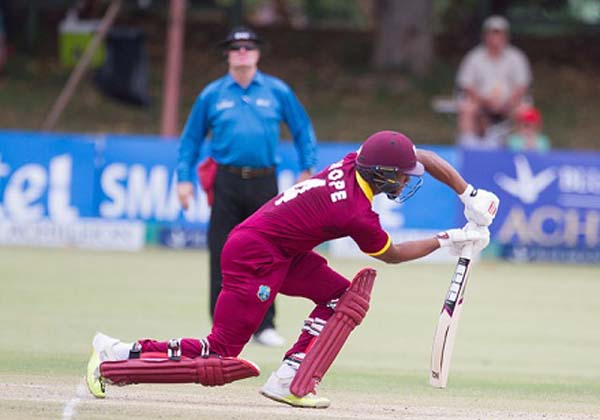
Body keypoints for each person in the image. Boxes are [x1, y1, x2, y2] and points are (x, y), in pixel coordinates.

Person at [86, 130, 499, 408]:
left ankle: (289, 377)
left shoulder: (355, 161)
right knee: (220, 352)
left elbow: (419, 154)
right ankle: (119, 357)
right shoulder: (354, 211)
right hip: (256, 255)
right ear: (382, 174)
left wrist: (469, 193)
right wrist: (449, 240)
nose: (406, 182)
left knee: (343, 298)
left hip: (284, 251)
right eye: (402, 177)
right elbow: (390, 254)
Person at [176, 26, 317, 347]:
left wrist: (307, 168)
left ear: (257, 53)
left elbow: (302, 128)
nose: (242, 52)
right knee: (222, 252)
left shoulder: (277, 91)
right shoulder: (212, 94)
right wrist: (183, 178)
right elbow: (191, 140)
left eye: (248, 47)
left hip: (264, 182)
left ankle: (265, 325)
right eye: (236, 47)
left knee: (268, 254)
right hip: (225, 181)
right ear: (227, 53)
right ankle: (221, 328)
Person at [456, 15, 532, 149]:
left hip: (510, 103)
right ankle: (469, 148)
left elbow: (522, 85)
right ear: (485, 36)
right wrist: (483, 101)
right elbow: (466, 85)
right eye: (492, 34)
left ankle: (523, 147)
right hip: (481, 102)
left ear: (506, 36)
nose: (495, 39)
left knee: (525, 111)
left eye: (499, 34)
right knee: (467, 109)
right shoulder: (474, 57)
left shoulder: (516, 57)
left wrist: (508, 102)